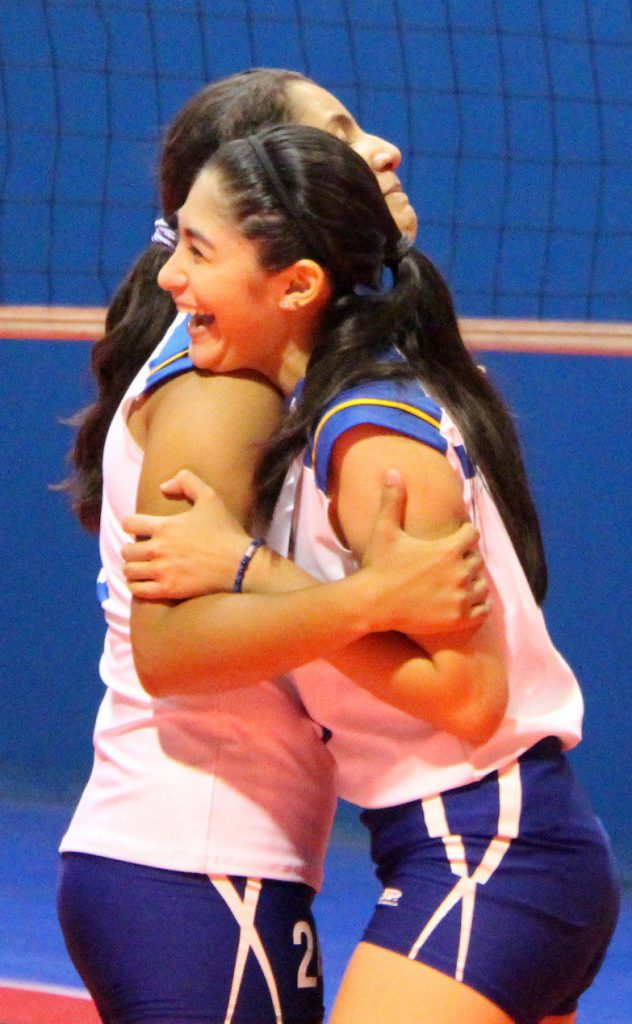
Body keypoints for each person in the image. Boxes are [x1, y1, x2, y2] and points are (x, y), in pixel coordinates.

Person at [121, 124, 620, 1024]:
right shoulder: (330, 413)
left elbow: (470, 697)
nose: (170, 278)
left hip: (490, 845)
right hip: (465, 845)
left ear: (297, 285)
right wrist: (332, 593)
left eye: (198, 251)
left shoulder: (371, 436)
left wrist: (249, 569)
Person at [57, 71, 491, 1024]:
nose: (381, 149)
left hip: (201, 858)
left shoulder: (276, 364)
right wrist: (374, 598)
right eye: (338, 136)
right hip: (196, 854)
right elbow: (170, 649)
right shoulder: (224, 380)